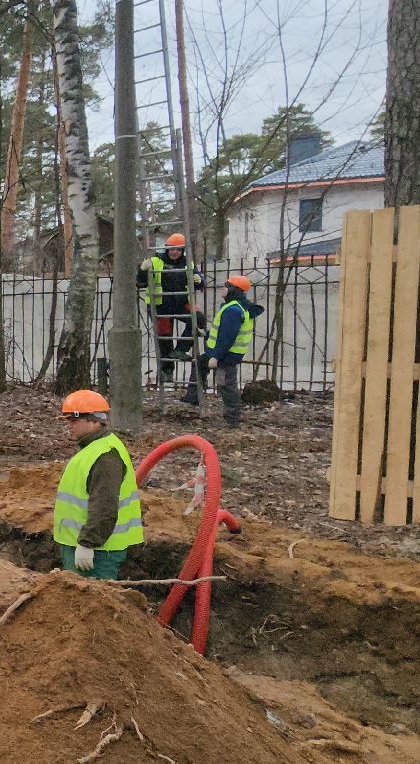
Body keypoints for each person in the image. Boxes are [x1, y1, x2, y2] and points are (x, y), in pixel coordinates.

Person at [53, 390, 144, 580]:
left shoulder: (105, 456)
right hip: (87, 546)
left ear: (95, 421)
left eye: (74, 421)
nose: (69, 426)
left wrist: (88, 543)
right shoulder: (94, 449)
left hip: (99, 552)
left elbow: (104, 506)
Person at [182, 275, 263, 425]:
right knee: (200, 363)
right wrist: (205, 334)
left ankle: (232, 419)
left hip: (225, 357)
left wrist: (216, 357)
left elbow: (227, 337)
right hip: (221, 354)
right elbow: (221, 332)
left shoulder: (232, 310)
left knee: (226, 385)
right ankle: (193, 396)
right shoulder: (233, 306)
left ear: (234, 290)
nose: (222, 288)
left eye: (226, 285)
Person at [135, 233, 204, 384]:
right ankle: (167, 372)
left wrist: (199, 280)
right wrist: (142, 270)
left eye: (178, 250)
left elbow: (199, 284)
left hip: (180, 303)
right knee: (165, 339)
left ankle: (181, 349)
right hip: (160, 305)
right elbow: (140, 284)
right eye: (172, 249)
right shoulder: (155, 261)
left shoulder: (188, 263)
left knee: (199, 319)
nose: (175, 252)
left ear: (182, 250)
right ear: (167, 249)